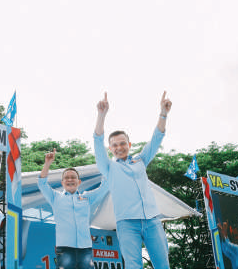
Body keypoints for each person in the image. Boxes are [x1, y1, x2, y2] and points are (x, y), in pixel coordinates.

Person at [93, 91, 172, 269]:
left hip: (152, 220)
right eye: (115, 145)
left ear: (129, 145)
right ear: (110, 148)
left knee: (163, 264)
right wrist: (101, 115)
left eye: (123, 143)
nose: (119, 147)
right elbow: (97, 141)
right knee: (133, 265)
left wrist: (163, 113)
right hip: (127, 223)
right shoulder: (108, 167)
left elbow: (157, 138)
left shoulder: (140, 160)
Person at [38, 148, 109, 269]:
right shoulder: (55, 197)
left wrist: (105, 162)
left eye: (73, 177)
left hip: (85, 248)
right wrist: (47, 163)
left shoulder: (87, 197)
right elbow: (42, 184)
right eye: (66, 177)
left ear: (79, 181)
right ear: (62, 182)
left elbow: (105, 187)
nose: (70, 179)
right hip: (64, 247)